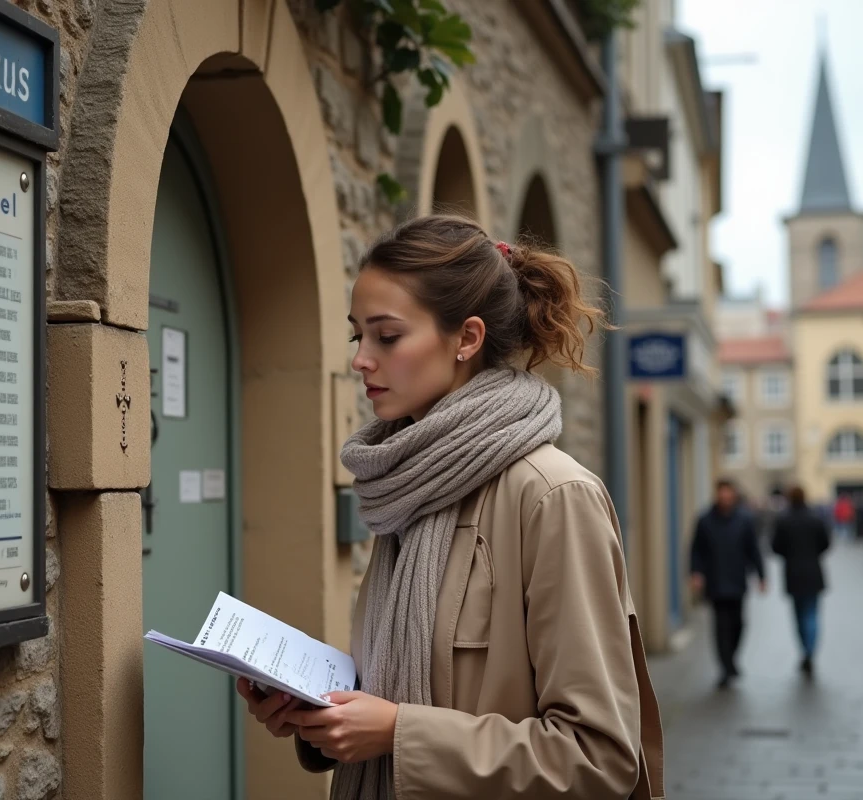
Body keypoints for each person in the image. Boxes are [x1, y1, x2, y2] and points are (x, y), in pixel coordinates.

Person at [236, 216, 664, 799]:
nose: (362, 358)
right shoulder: (410, 483)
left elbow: (600, 756)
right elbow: (419, 686)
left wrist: (398, 733)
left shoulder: (552, 496)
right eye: (357, 334)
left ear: (466, 338)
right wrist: (321, 716)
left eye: (386, 336)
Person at [690, 479, 767, 689]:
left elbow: (753, 549)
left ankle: (731, 659)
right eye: (721, 493)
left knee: (738, 624)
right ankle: (725, 667)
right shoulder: (705, 520)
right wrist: (696, 572)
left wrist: (762, 576)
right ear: (717, 494)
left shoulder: (744, 520)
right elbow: (696, 549)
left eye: (728, 493)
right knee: (721, 627)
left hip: (737, 580)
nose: (725, 497)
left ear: (733, 495)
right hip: (715, 581)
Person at [770, 486, 830, 678]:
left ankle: (805, 650)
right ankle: (810, 651)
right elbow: (826, 543)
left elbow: (775, 547)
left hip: (793, 573)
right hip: (813, 572)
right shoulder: (815, 519)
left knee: (799, 616)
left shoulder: (783, 520)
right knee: (811, 614)